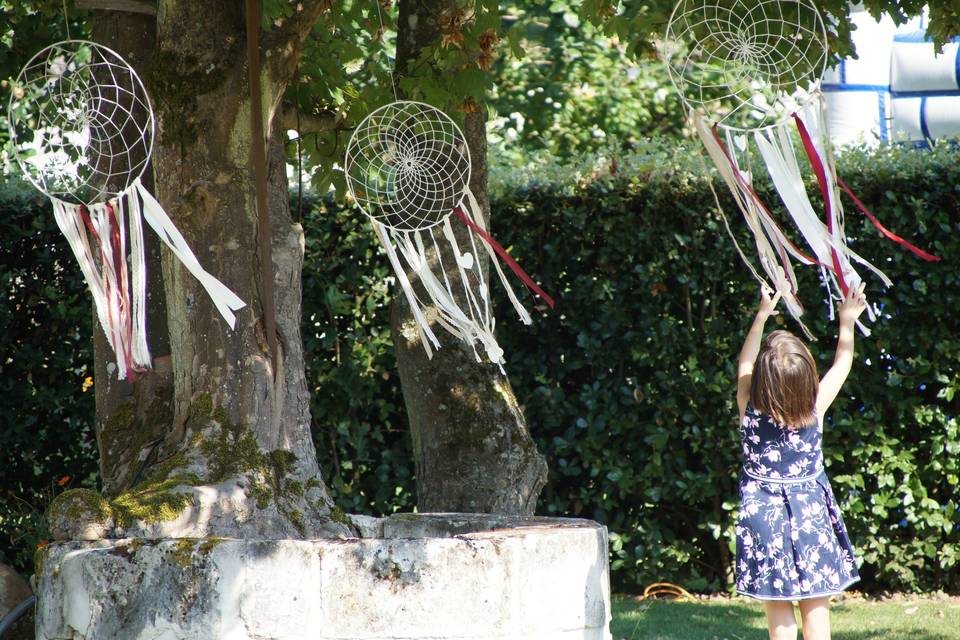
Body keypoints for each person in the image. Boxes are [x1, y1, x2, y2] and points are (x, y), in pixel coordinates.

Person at [734, 283, 868, 640]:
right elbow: (843, 362)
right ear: (807, 377)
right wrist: (847, 321)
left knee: (780, 618)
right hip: (812, 520)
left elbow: (745, 364)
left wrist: (762, 313)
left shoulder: (748, 406)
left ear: (763, 379)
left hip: (764, 520)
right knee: (817, 618)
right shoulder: (814, 410)